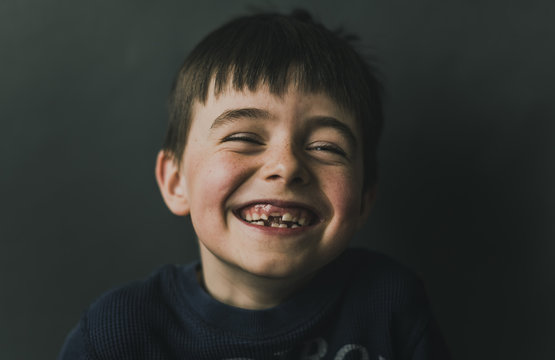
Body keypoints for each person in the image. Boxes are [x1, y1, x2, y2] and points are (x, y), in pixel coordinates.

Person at [59, 9, 450, 360]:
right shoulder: (118, 334)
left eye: (325, 146)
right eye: (243, 138)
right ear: (176, 182)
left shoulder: (390, 304)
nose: (286, 165)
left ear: (365, 199)